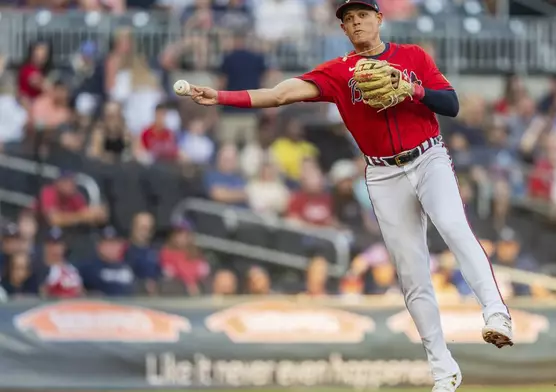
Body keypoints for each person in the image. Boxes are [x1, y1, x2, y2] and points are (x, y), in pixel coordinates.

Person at [181, 1, 512, 389]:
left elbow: (451, 105)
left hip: (428, 157)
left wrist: (412, 88)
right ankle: (443, 368)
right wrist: (221, 97)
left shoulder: (412, 57)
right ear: (343, 29)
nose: (356, 23)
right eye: (348, 19)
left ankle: (496, 315)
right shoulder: (339, 72)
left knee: (455, 228)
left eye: (362, 15)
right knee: (411, 272)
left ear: (379, 19)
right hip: (383, 172)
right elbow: (281, 93)